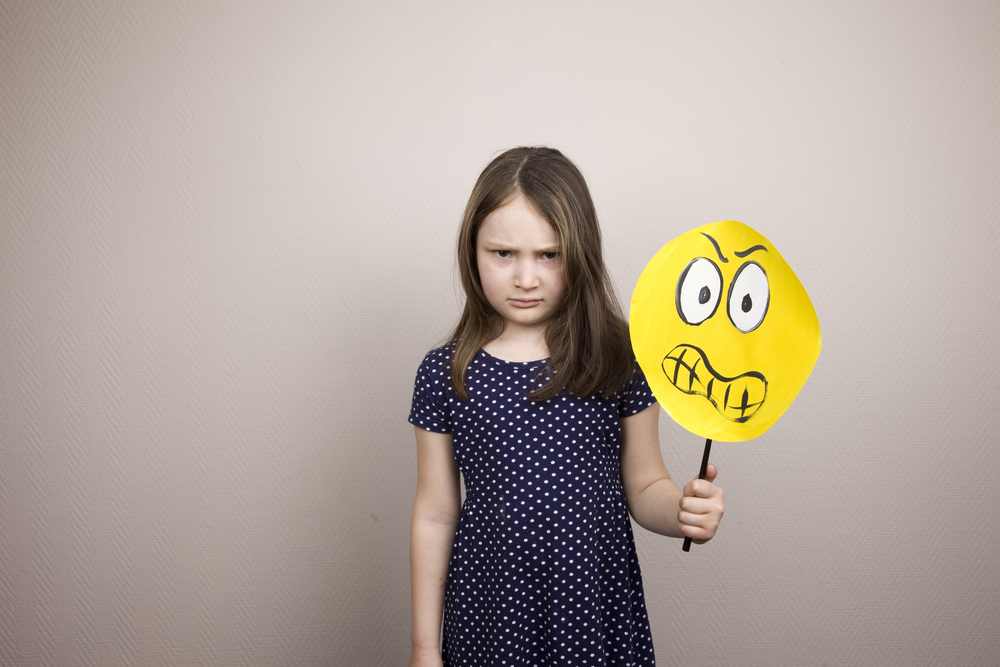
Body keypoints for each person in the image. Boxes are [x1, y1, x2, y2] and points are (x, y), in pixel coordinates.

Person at [408, 147, 725, 666]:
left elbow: (646, 485)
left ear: (581, 252)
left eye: (549, 255)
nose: (526, 278)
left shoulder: (619, 357)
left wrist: (682, 511)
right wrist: (424, 647)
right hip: (492, 614)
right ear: (471, 250)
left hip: (591, 613)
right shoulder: (445, 372)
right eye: (503, 253)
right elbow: (435, 514)